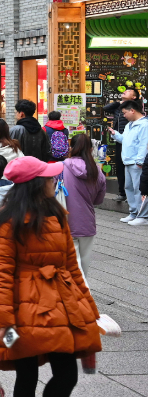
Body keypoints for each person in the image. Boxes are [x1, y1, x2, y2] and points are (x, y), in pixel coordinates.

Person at [0, 156, 102, 397]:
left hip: (61, 304)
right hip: (22, 309)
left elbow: (72, 266)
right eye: (49, 178)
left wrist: (89, 310)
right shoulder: (7, 221)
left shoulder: (57, 214)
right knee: (26, 375)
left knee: (67, 375)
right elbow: (0, 274)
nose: (54, 181)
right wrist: (3, 321)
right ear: (36, 184)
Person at [62, 133, 106, 279]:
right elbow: (98, 200)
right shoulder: (97, 171)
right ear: (90, 149)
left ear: (71, 148)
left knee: (71, 266)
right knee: (84, 265)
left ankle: (76, 290)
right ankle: (83, 289)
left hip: (65, 221)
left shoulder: (61, 168)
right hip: (87, 222)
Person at [112, 99, 148, 224]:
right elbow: (125, 140)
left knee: (139, 189)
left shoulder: (144, 125)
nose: (123, 115)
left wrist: (140, 161)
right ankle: (133, 213)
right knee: (129, 188)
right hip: (128, 161)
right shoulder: (129, 125)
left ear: (132, 110)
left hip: (137, 162)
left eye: (124, 113)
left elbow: (144, 144)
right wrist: (115, 134)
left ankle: (143, 216)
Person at [104, 87, 141, 200]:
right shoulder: (119, 107)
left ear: (134, 97)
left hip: (130, 141)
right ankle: (122, 193)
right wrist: (119, 103)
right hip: (119, 138)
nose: (125, 91)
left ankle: (134, 196)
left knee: (131, 168)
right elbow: (106, 108)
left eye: (128, 91)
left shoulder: (135, 108)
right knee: (120, 166)